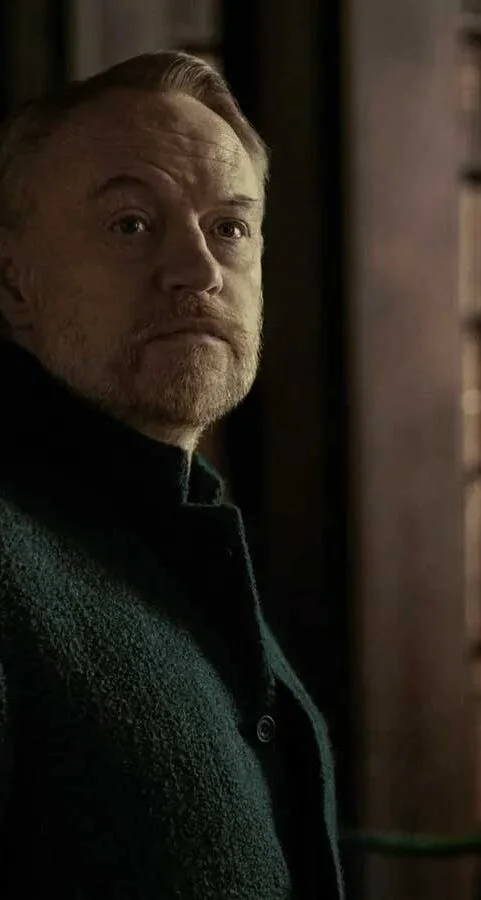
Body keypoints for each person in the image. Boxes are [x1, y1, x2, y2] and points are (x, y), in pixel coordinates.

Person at [0, 51, 344, 898]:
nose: (198, 270)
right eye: (131, 224)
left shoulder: (184, 527)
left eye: (230, 227)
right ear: (12, 282)